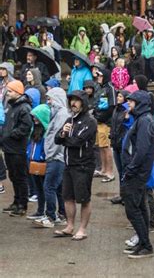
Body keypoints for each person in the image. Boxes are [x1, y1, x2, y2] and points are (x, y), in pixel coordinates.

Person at [54, 90, 97, 240]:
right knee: (67, 197)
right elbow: (57, 139)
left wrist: (66, 138)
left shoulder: (90, 121)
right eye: (72, 100)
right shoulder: (70, 120)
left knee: (84, 198)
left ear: (83, 103)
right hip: (68, 165)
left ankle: (82, 229)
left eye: (77, 100)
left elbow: (76, 142)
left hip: (83, 165)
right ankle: (70, 226)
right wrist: (63, 134)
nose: (73, 103)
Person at [121, 90, 154, 258]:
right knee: (140, 206)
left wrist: (131, 168)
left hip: (137, 173)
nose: (129, 104)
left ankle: (145, 244)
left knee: (132, 209)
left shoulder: (144, 121)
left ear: (140, 104)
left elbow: (142, 149)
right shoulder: (142, 119)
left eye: (132, 102)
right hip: (137, 171)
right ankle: (143, 242)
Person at [33, 88, 69, 228]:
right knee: (58, 188)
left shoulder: (61, 115)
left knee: (49, 187)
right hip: (56, 157)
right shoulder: (57, 113)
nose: (48, 102)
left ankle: (51, 216)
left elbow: (57, 137)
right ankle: (62, 214)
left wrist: (50, 155)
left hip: (56, 157)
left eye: (50, 99)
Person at [1, 81, 33, 216]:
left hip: (17, 148)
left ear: (18, 92)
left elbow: (25, 127)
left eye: (11, 91)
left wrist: (11, 135)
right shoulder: (11, 106)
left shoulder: (24, 107)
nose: (8, 93)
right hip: (8, 147)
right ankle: (16, 201)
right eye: (7, 91)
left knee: (20, 177)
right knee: (13, 176)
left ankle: (22, 204)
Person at [25, 104, 50, 220]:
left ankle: (48, 212)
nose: (34, 119)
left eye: (36, 116)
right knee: (39, 189)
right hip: (33, 164)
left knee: (46, 189)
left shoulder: (47, 132)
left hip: (43, 164)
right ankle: (40, 210)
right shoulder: (33, 130)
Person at [92, 69, 116, 183]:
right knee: (100, 146)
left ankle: (110, 172)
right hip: (98, 121)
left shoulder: (110, 88)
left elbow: (112, 107)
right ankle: (103, 169)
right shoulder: (100, 88)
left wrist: (101, 117)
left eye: (100, 76)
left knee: (106, 147)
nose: (98, 78)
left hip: (106, 123)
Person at [110, 90, 133, 205]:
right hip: (115, 144)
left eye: (120, 96)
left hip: (123, 144)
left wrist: (127, 118)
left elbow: (128, 126)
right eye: (118, 96)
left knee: (125, 170)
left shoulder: (126, 110)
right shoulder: (116, 108)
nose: (118, 98)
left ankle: (127, 195)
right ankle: (122, 194)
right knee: (120, 171)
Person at [0, 62, 14, 194]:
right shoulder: (1, 83)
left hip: (4, 116)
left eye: (3, 69)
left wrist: (4, 112)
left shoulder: (12, 84)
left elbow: (10, 102)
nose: (1, 71)